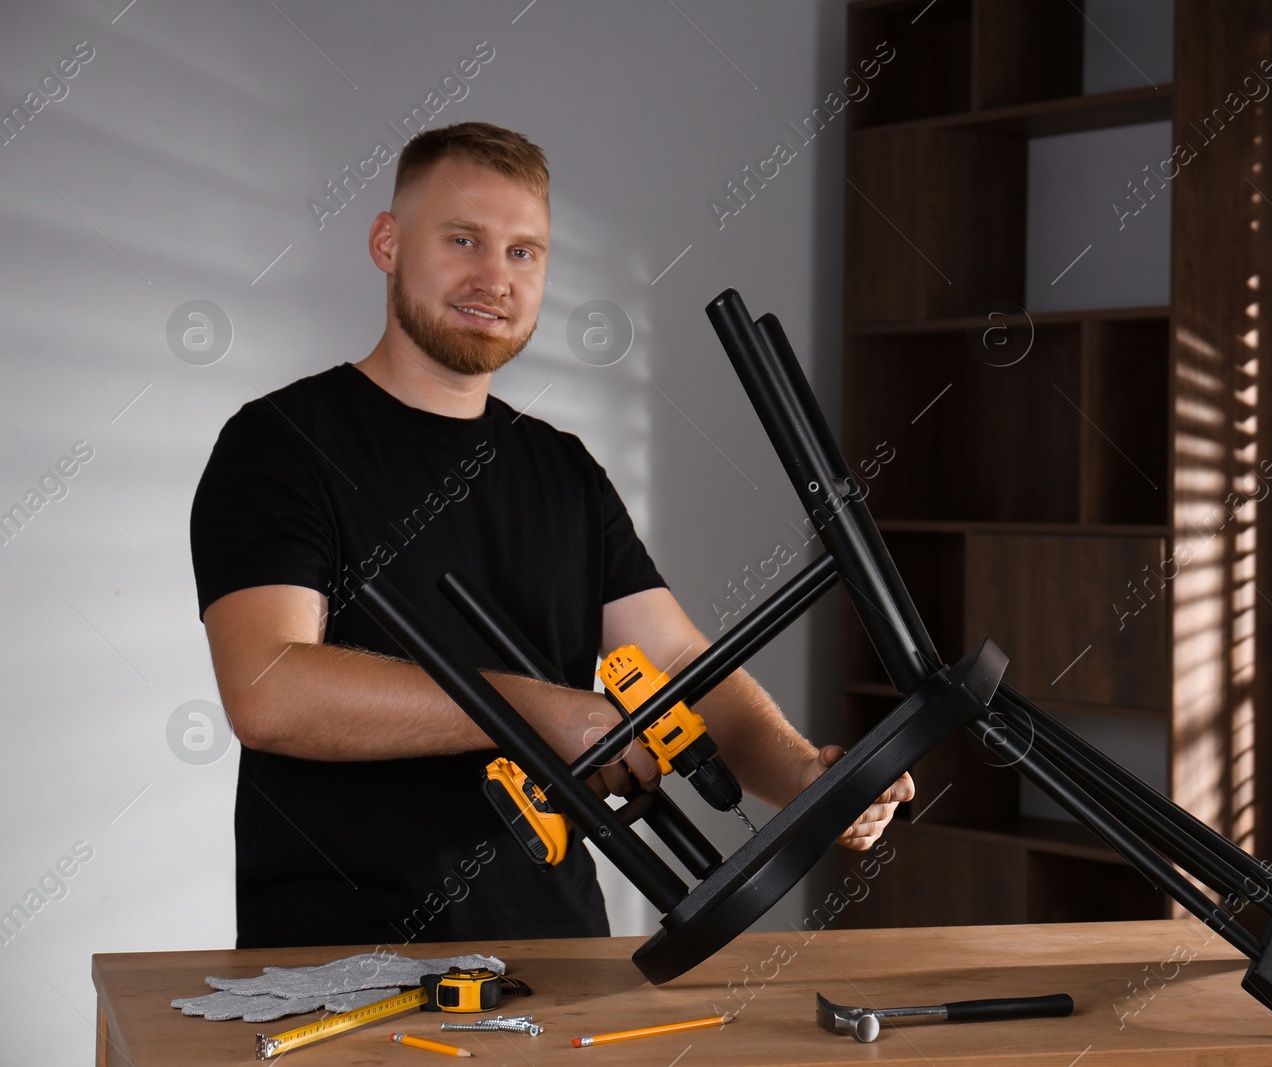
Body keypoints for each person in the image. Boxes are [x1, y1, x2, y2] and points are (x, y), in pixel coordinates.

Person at [190, 121, 913, 950]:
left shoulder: (563, 469)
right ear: (388, 243)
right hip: (340, 963)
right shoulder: (281, 442)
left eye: (523, 252)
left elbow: (679, 667)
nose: (493, 277)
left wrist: (805, 778)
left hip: (555, 956)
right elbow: (269, 687)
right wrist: (535, 711)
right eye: (463, 239)